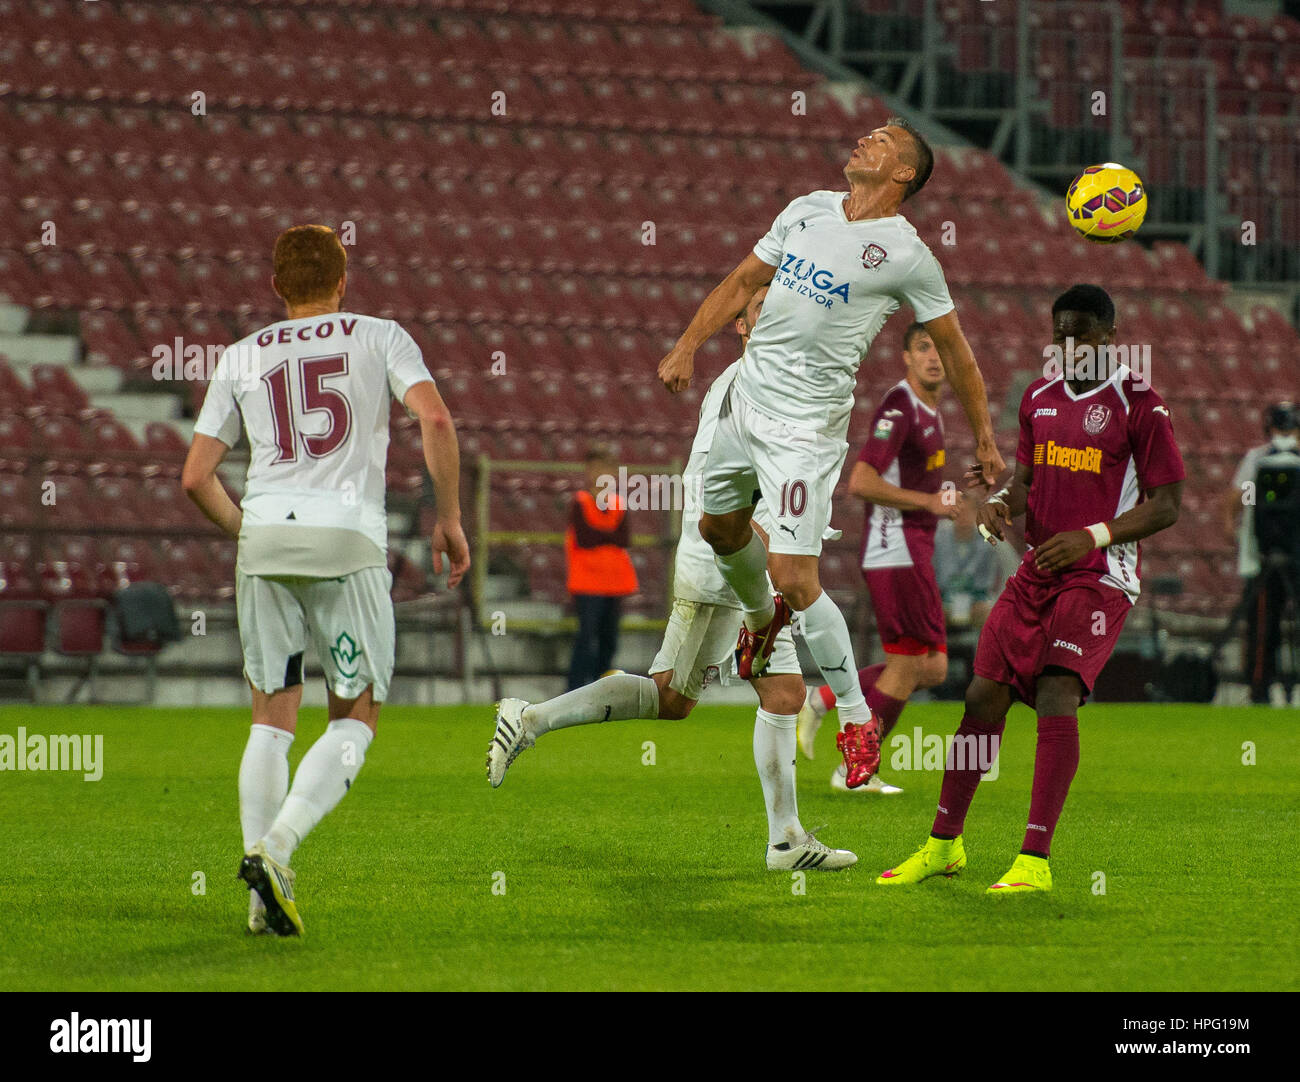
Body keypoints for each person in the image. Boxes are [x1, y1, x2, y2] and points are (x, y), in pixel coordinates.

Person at [488, 287, 856, 871]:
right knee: (741, 692)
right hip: (722, 566)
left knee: (688, 698)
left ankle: (786, 840)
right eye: (763, 305)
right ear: (740, 323)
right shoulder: (740, 387)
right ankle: (530, 719)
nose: (778, 314)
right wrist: (771, 548)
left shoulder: (778, 385)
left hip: (747, 563)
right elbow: (714, 491)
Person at [182, 224, 470, 936]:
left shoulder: (242, 354)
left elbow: (194, 477)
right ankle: (277, 851)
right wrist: (450, 519)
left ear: (276, 285)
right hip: (347, 541)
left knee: (272, 716)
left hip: (266, 538)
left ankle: (258, 896)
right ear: (343, 282)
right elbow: (433, 416)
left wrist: (247, 531)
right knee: (356, 714)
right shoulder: (381, 336)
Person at [877, 284, 1183, 893]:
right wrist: (999, 503)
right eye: (1060, 333)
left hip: (1101, 575)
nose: (1068, 346)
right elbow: (1026, 481)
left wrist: (1092, 536)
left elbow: (1168, 505)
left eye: (1082, 335)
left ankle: (1034, 860)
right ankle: (944, 845)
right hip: (1038, 570)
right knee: (981, 698)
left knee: (1054, 692)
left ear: (1110, 338)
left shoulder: (1140, 404)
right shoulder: (1038, 398)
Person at [796, 321, 957, 794]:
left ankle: (822, 699)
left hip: (915, 552)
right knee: (907, 664)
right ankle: (854, 770)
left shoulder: (932, 410)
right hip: (896, 552)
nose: (933, 356)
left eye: (939, 348)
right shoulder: (900, 405)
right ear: (906, 356)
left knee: (933, 668)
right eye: (922, 348)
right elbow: (861, 481)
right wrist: (927, 503)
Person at [1221, 401, 1300, 705]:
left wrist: (1231, 527)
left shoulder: (1257, 458)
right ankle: (1259, 687)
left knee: (1263, 626)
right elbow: (1236, 498)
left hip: (1262, 554)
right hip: (1265, 555)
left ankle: (1260, 689)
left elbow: (1233, 498)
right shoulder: (1256, 459)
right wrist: (1232, 525)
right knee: (1263, 625)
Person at [565, 447, 638, 690]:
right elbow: (585, 538)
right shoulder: (580, 502)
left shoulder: (618, 503)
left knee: (610, 639)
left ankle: (601, 687)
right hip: (586, 581)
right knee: (585, 637)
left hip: (615, 582)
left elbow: (624, 538)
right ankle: (575, 688)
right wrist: (609, 536)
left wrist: (603, 536)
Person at [933, 494, 1002, 630]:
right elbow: (931, 575)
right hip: (943, 598)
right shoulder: (937, 537)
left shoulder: (989, 541)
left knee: (990, 613)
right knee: (927, 612)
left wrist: (978, 603)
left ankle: (985, 650)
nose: (963, 516)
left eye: (968, 511)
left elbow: (988, 583)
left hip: (975, 600)